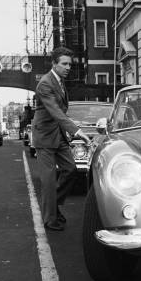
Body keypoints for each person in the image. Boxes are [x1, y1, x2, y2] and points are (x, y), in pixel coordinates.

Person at [32, 46, 91, 231]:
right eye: (64, 64)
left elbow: (61, 111)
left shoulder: (59, 81)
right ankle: (50, 220)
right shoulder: (45, 83)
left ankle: (53, 204)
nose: (68, 68)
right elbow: (56, 112)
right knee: (48, 180)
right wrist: (77, 131)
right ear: (54, 64)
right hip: (45, 136)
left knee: (71, 169)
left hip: (58, 135)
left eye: (70, 64)